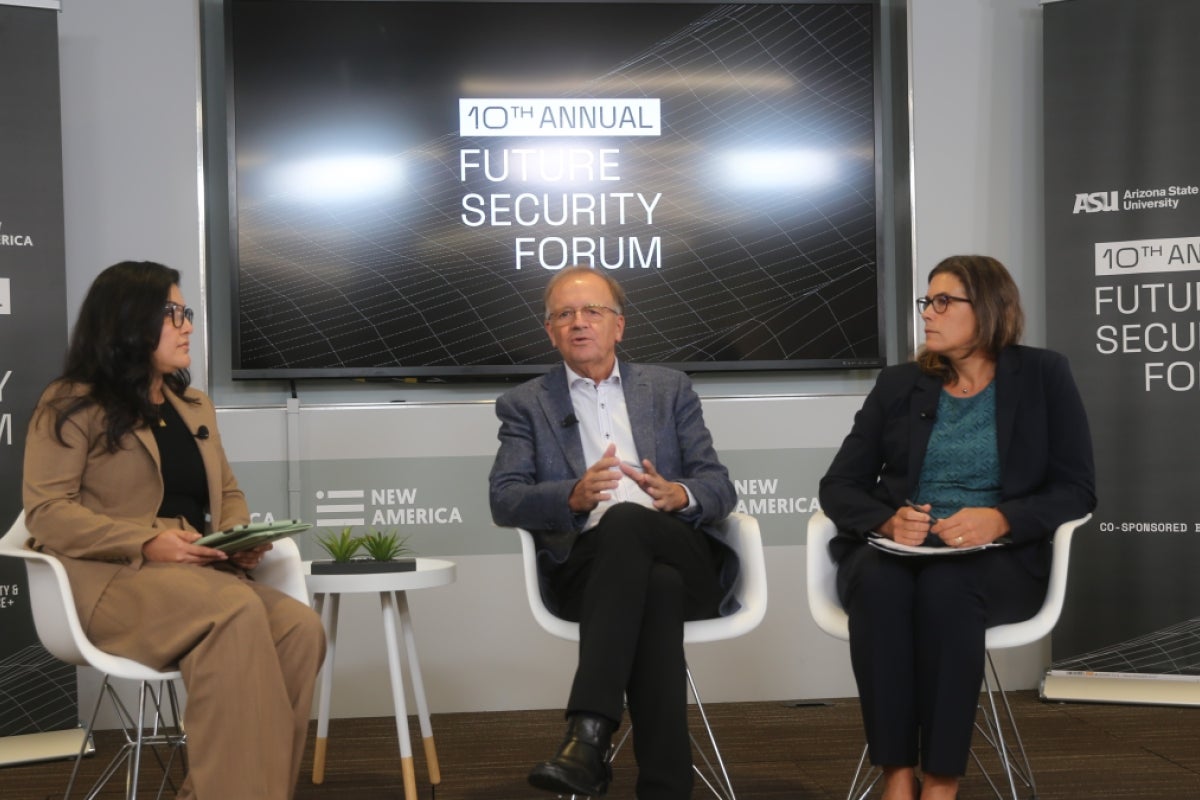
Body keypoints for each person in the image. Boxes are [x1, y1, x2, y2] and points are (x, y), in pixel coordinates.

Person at [22, 261, 325, 800]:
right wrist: (145, 541)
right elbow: (47, 512)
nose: (187, 325)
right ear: (128, 321)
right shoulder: (70, 402)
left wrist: (237, 538)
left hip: (198, 574)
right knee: (234, 612)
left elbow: (226, 492)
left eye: (186, 313)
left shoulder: (193, 405)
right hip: (112, 580)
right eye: (173, 313)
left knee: (300, 630)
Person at [818, 255, 1096, 800]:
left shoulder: (1044, 375)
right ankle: (896, 776)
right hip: (902, 550)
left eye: (944, 302)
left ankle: (942, 780)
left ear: (988, 309)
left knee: (949, 590)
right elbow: (839, 485)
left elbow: (1076, 488)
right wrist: (886, 519)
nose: (928, 313)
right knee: (878, 585)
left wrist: (1001, 518)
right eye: (927, 301)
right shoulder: (901, 384)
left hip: (1000, 557)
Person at [489, 265, 738, 800]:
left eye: (593, 311)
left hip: (681, 547)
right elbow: (504, 498)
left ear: (619, 326)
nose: (579, 323)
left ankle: (588, 735)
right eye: (565, 314)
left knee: (630, 522)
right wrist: (571, 497)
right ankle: (664, 788)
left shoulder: (669, 389)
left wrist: (680, 493)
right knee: (657, 586)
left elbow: (719, 485)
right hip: (590, 571)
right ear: (550, 331)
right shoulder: (525, 404)